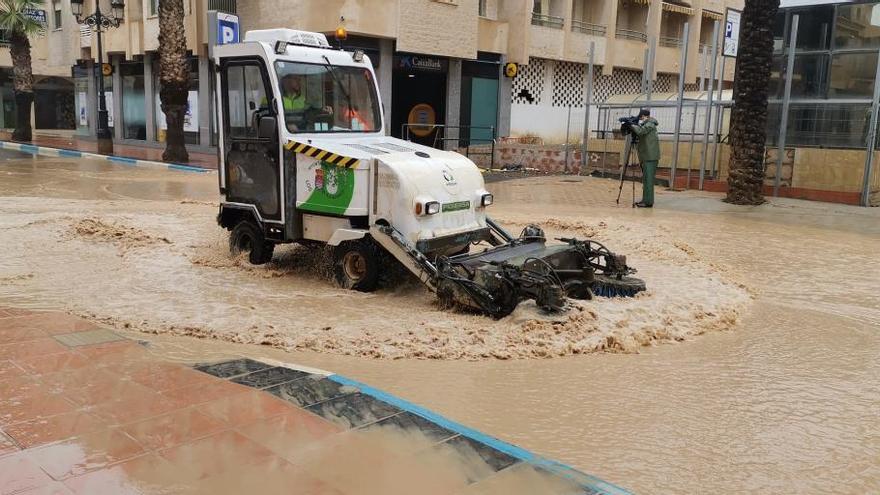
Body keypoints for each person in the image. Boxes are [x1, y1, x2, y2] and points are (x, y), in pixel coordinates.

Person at [629, 108, 660, 208]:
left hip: (650, 156)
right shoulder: (648, 124)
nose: (641, 119)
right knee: (646, 179)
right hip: (648, 156)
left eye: (641, 117)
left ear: (644, 116)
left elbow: (641, 131)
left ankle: (648, 202)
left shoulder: (649, 124)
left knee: (648, 180)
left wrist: (632, 125)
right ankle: (645, 200)